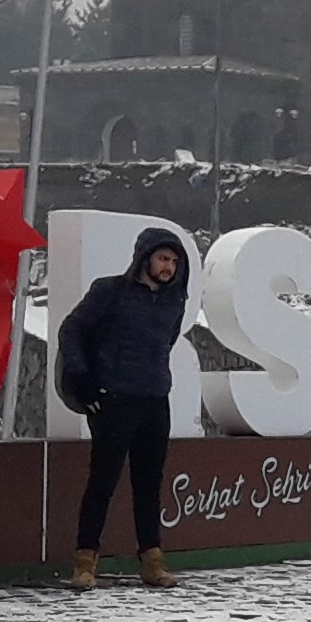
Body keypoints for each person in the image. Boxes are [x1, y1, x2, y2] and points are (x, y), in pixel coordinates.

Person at [61, 227, 192, 589]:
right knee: (102, 482)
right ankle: (85, 562)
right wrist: (83, 377)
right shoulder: (109, 291)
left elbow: (166, 343)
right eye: (163, 258)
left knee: (149, 485)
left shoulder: (174, 301)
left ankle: (152, 562)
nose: (169, 267)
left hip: (155, 400)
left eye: (175, 261)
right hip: (114, 399)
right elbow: (71, 330)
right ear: (144, 257)